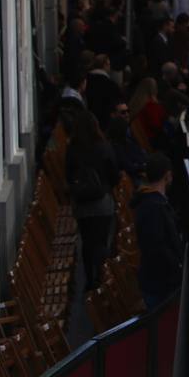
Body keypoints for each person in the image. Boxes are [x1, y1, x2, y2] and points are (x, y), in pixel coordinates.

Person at [65, 112, 120, 291]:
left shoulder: (73, 149)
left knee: (87, 241)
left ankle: (90, 278)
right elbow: (114, 175)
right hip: (102, 201)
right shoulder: (103, 147)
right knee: (102, 240)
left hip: (82, 204)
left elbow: (68, 176)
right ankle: (102, 276)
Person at [133, 153, 184, 309]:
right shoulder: (154, 207)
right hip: (160, 283)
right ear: (167, 176)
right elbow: (157, 247)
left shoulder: (151, 203)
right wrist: (178, 265)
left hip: (159, 279)